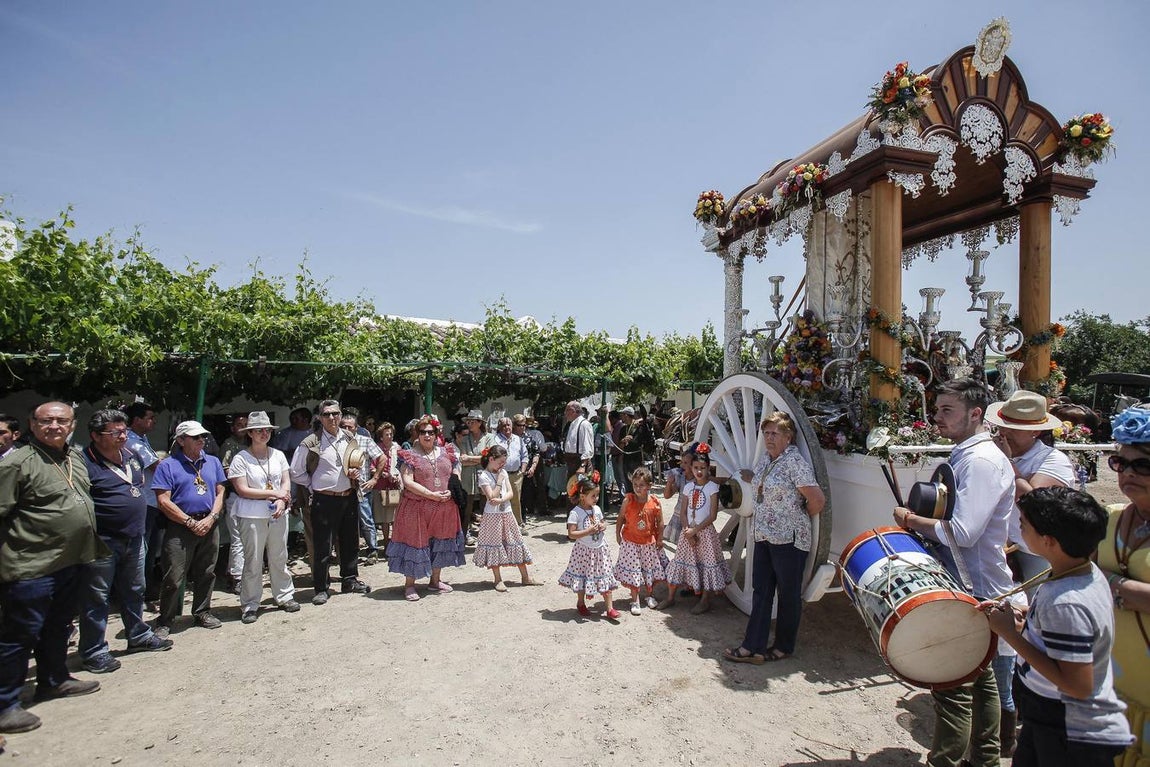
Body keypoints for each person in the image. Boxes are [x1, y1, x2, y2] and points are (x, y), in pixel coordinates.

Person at [892, 377, 1015, 767]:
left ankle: (949, 761)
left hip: (974, 585)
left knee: (953, 685)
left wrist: (911, 520)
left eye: (948, 410)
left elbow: (963, 533)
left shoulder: (979, 461)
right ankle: (985, 760)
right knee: (983, 684)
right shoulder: (969, 455)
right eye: (938, 408)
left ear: (976, 413)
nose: (938, 417)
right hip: (969, 583)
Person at [983, 487, 1133, 766]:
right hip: (1051, 716)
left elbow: (1077, 685)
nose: (1019, 530)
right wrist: (1028, 620)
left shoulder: (1065, 603)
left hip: (1066, 724)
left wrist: (1009, 634)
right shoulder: (1079, 573)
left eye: (1023, 525)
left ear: (1049, 541)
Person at [0, 402, 105, 733]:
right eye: (46, 421)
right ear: (32, 424)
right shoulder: (17, 463)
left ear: (72, 425)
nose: (54, 426)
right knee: (19, 635)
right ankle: (5, 705)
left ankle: (54, 679)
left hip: (72, 560)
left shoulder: (73, 456)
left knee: (59, 626)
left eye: (62, 420)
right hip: (31, 564)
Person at [985, 388, 1076, 754]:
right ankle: (1009, 713)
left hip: (1037, 555)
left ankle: (1026, 710)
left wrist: (1008, 464)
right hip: (1007, 551)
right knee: (1007, 632)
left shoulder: (1054, 462)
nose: (1003, 433)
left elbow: (1035, 502)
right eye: (1002, 426)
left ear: (1036, 432)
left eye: (1013, 428)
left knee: (1037, 631)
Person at [725, 411, 825, 664]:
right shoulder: (767, 460)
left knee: (789, 594)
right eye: (766, 433)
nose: (769, 438)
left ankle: (783, 646)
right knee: (761, 592)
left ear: (788, 437)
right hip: (763, 537)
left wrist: (794, 519)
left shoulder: (794, 462)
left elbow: (817, 500)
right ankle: (753, 647)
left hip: (789, 541)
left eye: (775, 433)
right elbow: (757, 480)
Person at [79, 409, 174, 675]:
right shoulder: (83, 463)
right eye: (116, 432)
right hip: (101, 541)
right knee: (97, 596)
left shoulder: (130, 457)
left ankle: (138, 635)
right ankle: (94, 651)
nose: (123, 436)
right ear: (96, 436)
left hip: (134, 536)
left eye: (123, 431)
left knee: (135, 589)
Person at [1097, 405, 1150, 766]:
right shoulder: (1111, 517)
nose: (1128, 473)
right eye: (1121, 463)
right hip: (1112, 683)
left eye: (1142, 465)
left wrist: (1109, 583)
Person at [289, 399, 372, 605]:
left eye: (335, 413)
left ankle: (349, 579)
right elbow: (296, 471)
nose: (332, 418)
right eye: (327, 414)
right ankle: (321, 587)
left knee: (350, 540)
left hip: (348, 496)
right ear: (320, 418)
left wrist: (356, 472)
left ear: (341, 415)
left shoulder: (349, 437)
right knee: (322, 545)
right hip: (323, 499)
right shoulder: (311, 442)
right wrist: (313, 485)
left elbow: (357, 462)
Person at [152, 420, 227, 636]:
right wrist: (189, 522)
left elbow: (220, 491)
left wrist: (212, 517)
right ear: (181, 440)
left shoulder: (212, 462)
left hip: (209, 523)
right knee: (174, 576)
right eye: (196, 437)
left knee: (206, 571)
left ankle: (202, 611)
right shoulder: (168, 465)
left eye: (203, 436)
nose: (202, 440)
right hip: (180, 527)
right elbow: (163, 501)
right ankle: (165, 619)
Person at [227, 411, 299, 624]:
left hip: (277, 512)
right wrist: (274, 494)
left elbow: (285, 482)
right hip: (251, 514)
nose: (264, 433)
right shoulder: (241, 458)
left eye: (267, 430)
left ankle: (284, 595)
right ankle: (250, 603)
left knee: (279, 556)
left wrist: (281, 499)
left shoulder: (277, 455)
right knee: (254, 560)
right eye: (259, 430)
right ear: (250, 433)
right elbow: (242, 489)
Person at [386, 415, 466, 601]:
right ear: (418, 434)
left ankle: (435, 581)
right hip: (416, 507)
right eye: (423, 432)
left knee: (439, 542)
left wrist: (453, 486)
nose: (427, 436)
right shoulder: (410, 454)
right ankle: (410, 585)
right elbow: (407, 481)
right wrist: (431, 495)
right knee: (415, 543)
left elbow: (456, 469)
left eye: (431, 432)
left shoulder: (447, 452)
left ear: (437, 433)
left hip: (444, 507)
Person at [659, 443, 732, 614]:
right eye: (696, 467)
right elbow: (683, 512)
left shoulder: (712, 488)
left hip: (705, 533)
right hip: (688, 532)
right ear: (691, 468)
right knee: (679, 561)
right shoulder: (688, 487)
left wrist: (696, 530)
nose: (699, 471)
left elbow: (713, 515)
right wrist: (687, 531)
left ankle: (705, 599)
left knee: (707, 564)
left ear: (708, 469)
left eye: (703, 468)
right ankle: (670, 598)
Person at [473, 445, 538, 591]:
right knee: (494, 544)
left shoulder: (503, 472)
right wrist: (499, 481)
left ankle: (525, 577)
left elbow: (510, 493)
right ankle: (498, 579)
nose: (502, 465)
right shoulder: (483, 475)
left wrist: (502, 500)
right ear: (491, 459)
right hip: (492, 516)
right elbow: (491, 496)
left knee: (516, 540)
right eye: (500, 462)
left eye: (504, 462)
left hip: (506, 512)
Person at [558, 473, 619, 620]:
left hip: (600, 550)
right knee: (583, 577)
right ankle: (581, 603)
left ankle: (610, 608)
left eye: (597, 495)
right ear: (583, 496)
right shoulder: (575, 513)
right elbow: (572, 534)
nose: (596, 499)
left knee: (605, 575)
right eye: (593, 495)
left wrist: (603, 526)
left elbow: (603, 521)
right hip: (584, 552)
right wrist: (589, 531)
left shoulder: (596, 509)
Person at [613, 467, 668, 616]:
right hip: (630, 542)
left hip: (648, 543)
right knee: (634, 571)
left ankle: (649, 595)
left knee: (648, 570)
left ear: (649, 485)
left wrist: (660, 538)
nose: (638, 488)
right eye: (635, 484)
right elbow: (620, 519)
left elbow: (660, 522)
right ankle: (635, 600)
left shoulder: (655, 502)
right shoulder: (628, 500)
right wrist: (618, 534)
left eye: (641, 485)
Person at [123, 402, 163, 607]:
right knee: (143, 550)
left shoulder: (142, 439)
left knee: (150, 548)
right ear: (137, 420)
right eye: (150, 417)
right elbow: (157, 466)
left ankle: (146, 592)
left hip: (151, 501)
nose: (153, 421)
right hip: (144, 502)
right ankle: (141, 595)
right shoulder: (131, 441)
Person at [273, 407, 316, 563]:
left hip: (311, 480)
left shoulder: (315, 435)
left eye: (297, 418)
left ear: (306, 420)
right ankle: (290, 543)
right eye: (292, 418)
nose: (293, 422)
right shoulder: (285, 434)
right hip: (291, 478)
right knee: (291, 508)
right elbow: (278, 454)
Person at [340, 412, 383, 564]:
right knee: (345, 523)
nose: (346, 429)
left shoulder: (365, 441)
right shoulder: (336, 442)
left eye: (349, 427)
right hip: (341, 490)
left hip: (361, 489)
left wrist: (375, 479)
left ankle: (372, 549)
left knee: (366, 520)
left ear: (356, 428)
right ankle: (348, 552)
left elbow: (381, 457)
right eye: (343, 426)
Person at [481, 417, 529, 532]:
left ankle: (518, 524)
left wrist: (522, 471)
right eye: (504, 425)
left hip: (516, 474)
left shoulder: (518, 439)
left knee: (516, 500)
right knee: (499, 499)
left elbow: (525, 456)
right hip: (499, 474)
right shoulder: (495, 439)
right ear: (499, 427)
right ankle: (501, 527)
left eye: (509, 425)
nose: (507, 428)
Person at [219, 413, 249, 594]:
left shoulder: (250, 446)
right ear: (232, 427)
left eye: (246, 424)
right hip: (235, 496)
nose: (243, 427)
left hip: (252, 498)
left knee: (248, 540)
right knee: (237, 538)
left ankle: (241, 574)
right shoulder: (229, 445)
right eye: (240, 424)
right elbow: (226, 471)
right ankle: (236, 577)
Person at [370, 422, 402, 553]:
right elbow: (371, 468)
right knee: (384, 519)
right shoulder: (377, 449)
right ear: (381, 437)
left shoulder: (397, 448)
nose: (389, 436)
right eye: (387, 434)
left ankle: (397, 543)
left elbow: (402, 465)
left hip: (395, 487)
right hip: (381, 487)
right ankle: (386, 544)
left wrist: (397, 475)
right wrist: (383, 474)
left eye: (391, 434)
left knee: (396, 517)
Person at [662, 442, 698, 545]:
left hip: (693, 518)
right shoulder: (680, 478)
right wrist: (669, 482)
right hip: (679, 516)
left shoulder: (699, 481)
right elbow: (667, 495)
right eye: (682, 462)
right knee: (682, 545)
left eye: (686, 463)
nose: (682, 465)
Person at [618, 407, 652, 495]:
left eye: (622, 415)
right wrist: (623, 441)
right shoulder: (623, 429)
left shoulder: (639, 427)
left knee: (639, 481)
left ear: (626, 415)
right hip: (626, 459)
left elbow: (640, 442)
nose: (621, 417)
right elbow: (620, 447)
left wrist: (631, 440)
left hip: (637, 459)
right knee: (628, 482)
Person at [561, 401, 594, 479]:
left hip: (579, 463)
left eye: (566, 410)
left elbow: (588, 448)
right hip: (571, 462)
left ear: (573, 411)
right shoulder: (572, 424)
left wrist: (582, 466)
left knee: (582, 490)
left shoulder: (584, 424)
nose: (565, 413)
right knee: (572, 489)